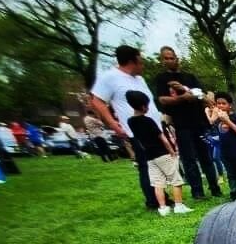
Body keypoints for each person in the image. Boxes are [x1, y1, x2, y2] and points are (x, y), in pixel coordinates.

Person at [90, 45, 162, 210]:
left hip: (154, 129)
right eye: (140, 62)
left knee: (158, 164)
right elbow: (96, 101)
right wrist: (113, 124)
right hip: (137, 131)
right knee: (147, 165)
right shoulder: (109, 77)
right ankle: (153, 201)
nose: (142, 65)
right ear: (132, 61)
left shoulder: (139, 79)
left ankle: (161, 197)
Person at [154, 46, 222, 200]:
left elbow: (204, 95)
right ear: (162, 60)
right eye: (166, 58)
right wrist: (181, 98)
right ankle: (197, 191)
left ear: (176, 58)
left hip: (199, 122)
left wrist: (195, 95)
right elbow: (162, 99)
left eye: (172, 57)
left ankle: (215, 188)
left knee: (206, 157)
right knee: (189, 159)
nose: (169, 60)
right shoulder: (161, 79)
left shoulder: (189, 77)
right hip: (181, 124)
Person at [124, 90, 193, 217]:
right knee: (176, 179)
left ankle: (163, 208)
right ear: (144, 106)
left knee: (158, 183)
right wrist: (172, 152)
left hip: (149, 156)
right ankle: (179, 205)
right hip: (162, 153)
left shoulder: (130, 121)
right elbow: (162, 138)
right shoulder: (148, 120)